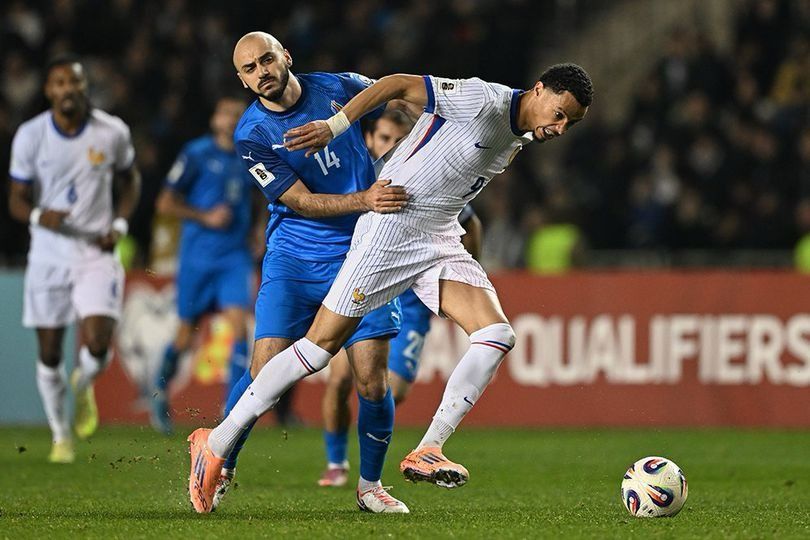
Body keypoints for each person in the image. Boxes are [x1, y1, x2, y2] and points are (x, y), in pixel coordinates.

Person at [190, 62, 591, 501]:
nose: (561, 126)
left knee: (496, 333)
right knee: (317, 351)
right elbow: (396, 85)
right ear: (538, 90)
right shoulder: (483, 100)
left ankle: (429, 448)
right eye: (558, 113)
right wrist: (335, 124)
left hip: (438, 236)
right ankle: (217, 442)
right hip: (390, 230)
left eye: (571, 122)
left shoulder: (521, 132)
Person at [187, 32, 412, 514]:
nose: (261, 71)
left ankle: (369, 487)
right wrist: (365, 198)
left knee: (372, 380)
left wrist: (427, 130)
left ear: (286, 56)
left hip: (363, 250)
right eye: (249, 69)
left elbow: (399, 97)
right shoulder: (252, 134)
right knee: (263, 371)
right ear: (243, 81)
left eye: (266, 59)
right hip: (295, 255)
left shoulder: (338, 86)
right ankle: (217, 460)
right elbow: (300, 202)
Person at [319, 110, 483, 487]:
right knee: (340, 378)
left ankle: (372, 457)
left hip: (413, 295)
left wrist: (462, 267)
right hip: (370, 283)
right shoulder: (362, 178)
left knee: (392, 387)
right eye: (385, 139)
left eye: (399, 139)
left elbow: (471, 222)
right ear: (371, 140)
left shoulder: (423, 174)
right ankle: (336, 463)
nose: (391, 146)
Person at [7, 55, 140, 463]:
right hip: (49, 253)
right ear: (49, 91)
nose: (67, 89)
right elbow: (16, 197)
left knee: (99, 342)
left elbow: (130, 180)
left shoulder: (111, 131)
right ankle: (60, 434)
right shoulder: (30, 136)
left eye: (74, 83)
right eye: (59, 83)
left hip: (96, 251)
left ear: (84, 88)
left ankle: (84, 384)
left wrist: (118, 225)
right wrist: (36, 215)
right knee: (49, 352)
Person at [150, 96, 254, 435]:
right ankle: (160, 391)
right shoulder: (196, 154)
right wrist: (203, 216)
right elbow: (165, 202)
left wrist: (257, 233)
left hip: (233, 258)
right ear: (214, 119)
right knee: (184, 336)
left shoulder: (249, 154)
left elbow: (260, 197)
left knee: (239, 329)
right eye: (225, 113)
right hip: (197, 258)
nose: (230, 119)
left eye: (236, 115)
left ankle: (230, 411)